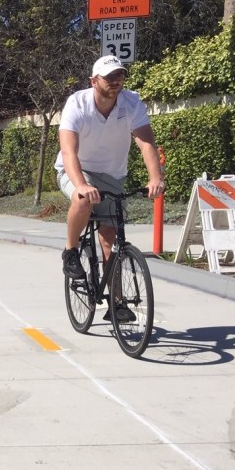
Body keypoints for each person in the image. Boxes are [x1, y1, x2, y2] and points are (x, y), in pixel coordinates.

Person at [55, 55, 164, 320]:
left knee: (110, 240)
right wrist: (81, 184)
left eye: (120, 76)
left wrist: (155, 177)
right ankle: (70, 252)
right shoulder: (77, 104)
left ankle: (116, 303)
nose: (116, 82)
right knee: (82, 200)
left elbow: (145, 141)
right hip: (77, 169)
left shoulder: (131, 102)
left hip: (113, 175)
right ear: (94, 81)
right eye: (109, 77)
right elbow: (69, 151)